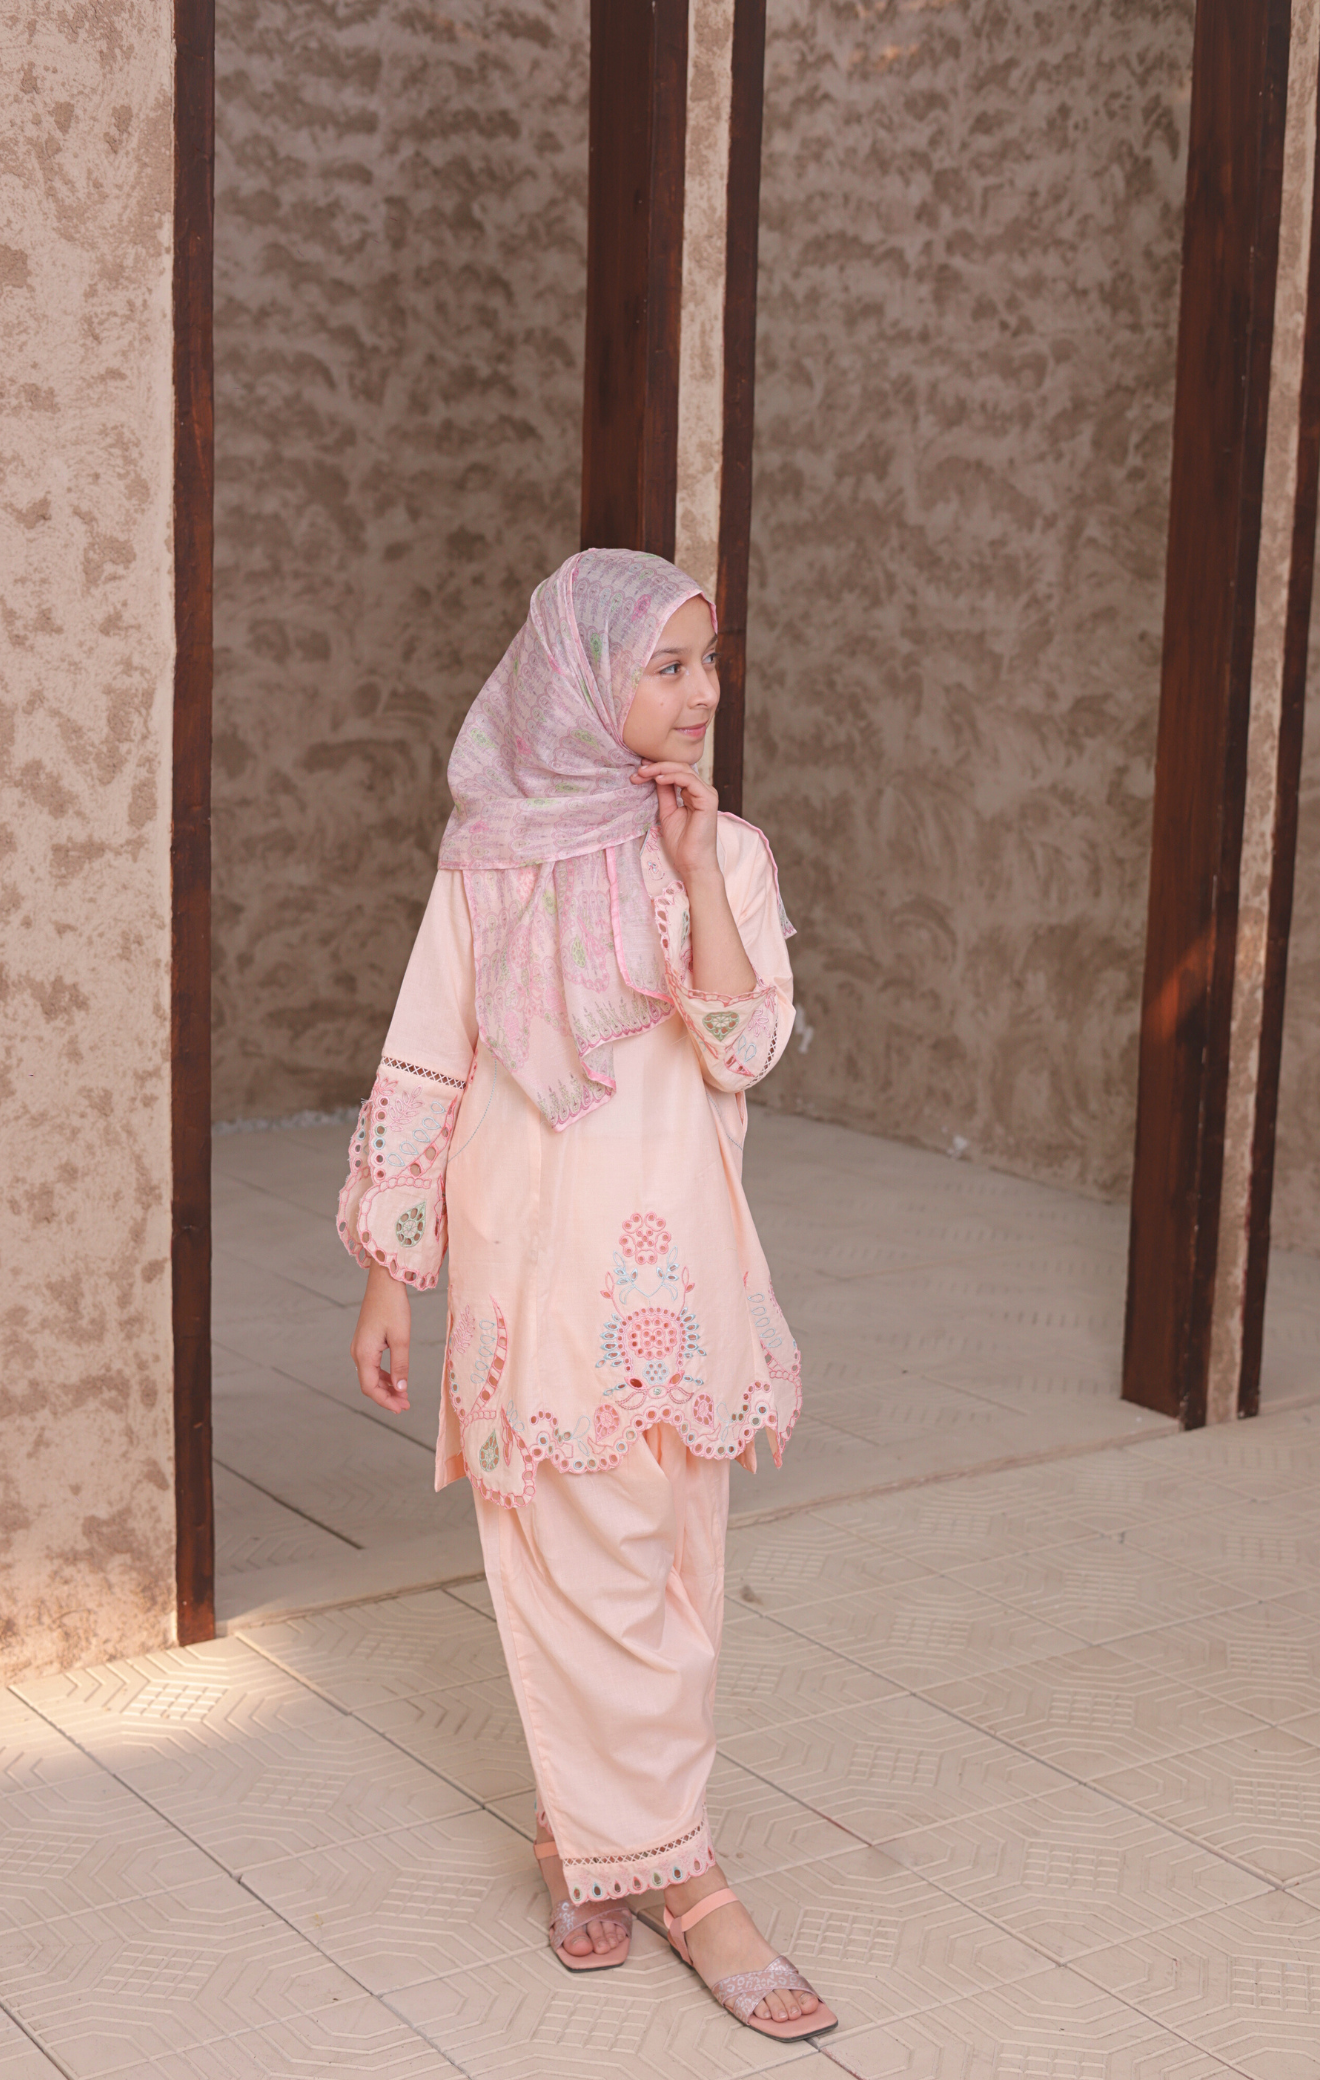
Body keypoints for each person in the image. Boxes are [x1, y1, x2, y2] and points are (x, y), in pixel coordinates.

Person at [339, 547, 836, 2042]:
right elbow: (430, 1053)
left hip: (677, 1257)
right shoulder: (490, 853)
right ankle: (690, 1884)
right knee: (575, 1550)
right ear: (581, 674)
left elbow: (745, 1048)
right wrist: (389, 1276)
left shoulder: (727, 855)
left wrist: (690, 879)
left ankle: (590, 1835)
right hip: (529, 1249)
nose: (701, 695)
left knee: (671, 1569)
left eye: (709, 662)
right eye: (666, 666)